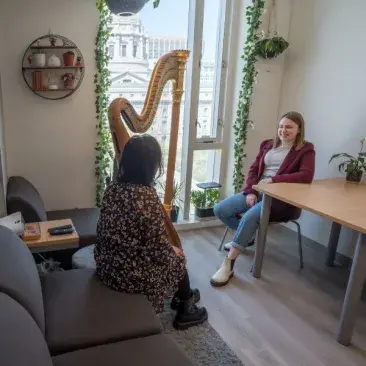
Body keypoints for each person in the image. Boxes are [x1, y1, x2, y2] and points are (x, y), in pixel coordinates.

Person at [94, 134, 207, 330]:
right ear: (151, 166)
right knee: (178, 258)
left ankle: (183, 295)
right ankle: (186, 310)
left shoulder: (112, 188)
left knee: (171, 253)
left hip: (106, 266)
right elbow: (158, 250)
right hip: (129, 277)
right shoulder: (146, 197)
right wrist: (173, 251)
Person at [210, 111, 315, 287]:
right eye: (281, 126)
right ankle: (246, 237)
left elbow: (306, 175)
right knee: (220, 209)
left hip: (279, 200)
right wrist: (251, 191)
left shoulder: (305, 149)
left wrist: (274, 179)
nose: (283, 130)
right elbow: (253, 170)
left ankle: (228, 265)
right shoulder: (267, 144)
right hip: (257, 192)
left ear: (299, 129)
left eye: (289, 127)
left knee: (251, 216)